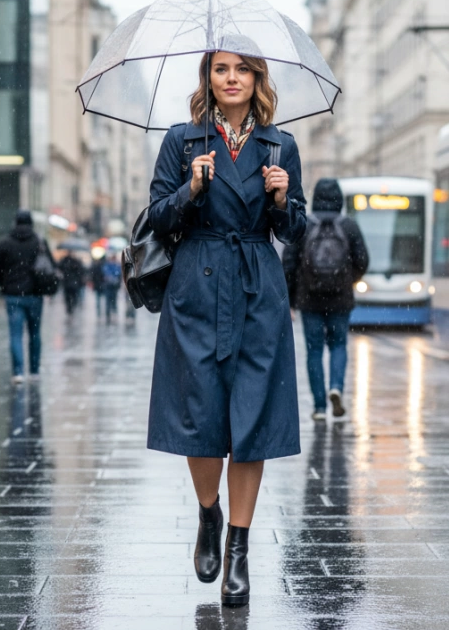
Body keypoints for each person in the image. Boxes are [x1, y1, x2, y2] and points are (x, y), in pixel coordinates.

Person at [145, 49, 306, 607]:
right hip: (196, 287)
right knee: (201, 413)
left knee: (253, 417)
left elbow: (296, 231)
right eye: (221, 69)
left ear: (257, 78)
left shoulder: (280, 145)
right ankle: (208, 514)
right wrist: (189, 190)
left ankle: (239, 545)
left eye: (242, 70)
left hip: (257, 288)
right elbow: (155, 217)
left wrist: (283, 198)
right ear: (208, 79)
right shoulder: (181, 140)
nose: (231, 79)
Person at [283, 178, 370, 421]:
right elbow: (363, 261)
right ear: (339, 198)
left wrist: (290, 298)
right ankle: (336, 388)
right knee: (338, 344)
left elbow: (288, 264)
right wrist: (347, 280)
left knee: (314, 351)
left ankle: (320, 407)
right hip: (340, 299)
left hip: (309, 299)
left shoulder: (305, 226)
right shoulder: (349, 225)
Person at [0, 211, 46, 383]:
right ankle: (35, 370)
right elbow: (49, 266)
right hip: (35, 294)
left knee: (15, 335)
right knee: (35, 333)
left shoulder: (5, 243)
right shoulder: (39, 241)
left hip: (13, 294)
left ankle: (18, 372)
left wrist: (4, 285)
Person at [58, 250, 87, 315]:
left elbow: (80, 272)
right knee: (71, 297)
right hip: (71, 283)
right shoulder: (70, 261)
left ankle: (70, 309)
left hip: (70, 283)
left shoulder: (68, 262)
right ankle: (70, 309)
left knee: (70, 298)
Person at [101, 252, 122, 324]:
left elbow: (118, 273)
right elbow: (106, 273)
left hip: (113, 287)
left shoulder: (115, 265)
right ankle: (109, 315)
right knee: (109, 301)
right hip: (109, 286)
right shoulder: (108, 265)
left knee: (113, 301)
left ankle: (113, 314)